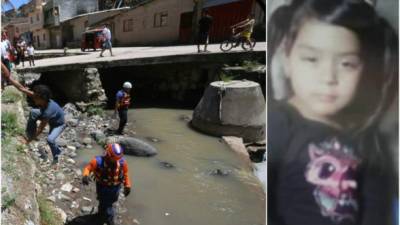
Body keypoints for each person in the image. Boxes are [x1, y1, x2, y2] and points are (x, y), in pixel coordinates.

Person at [268, 1, 398, 225]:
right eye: (312, 59)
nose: (328, 77)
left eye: (347, 64)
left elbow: (377, 209)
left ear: (365, 68)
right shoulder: (277, 124)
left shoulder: (368, 140)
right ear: (287, 58)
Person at [82, 143, 131, 225]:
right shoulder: (97, 161)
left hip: (115, 188)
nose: (116, 161)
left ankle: (109, 219)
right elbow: (88, 168)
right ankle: (101, 213)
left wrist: (127, 185)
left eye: (117, 159)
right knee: (102, 200)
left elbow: (126, 174)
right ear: (108, 155)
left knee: (109, 205)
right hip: (102, 186)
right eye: (114, 159)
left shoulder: (122, 163)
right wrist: (85, 176)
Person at [18, 85, 65, 168]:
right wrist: (9, 78)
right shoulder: (43, 99)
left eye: (36, 98)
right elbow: (22, 89)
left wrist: (28, 142)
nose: (34, 98)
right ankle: (29, 133)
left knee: (50, 140)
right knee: (33, 112)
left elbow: (40, 129)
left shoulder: (48, 111)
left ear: (42, 99)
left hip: (58, 124)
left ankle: (56, 158)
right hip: (50, 118)